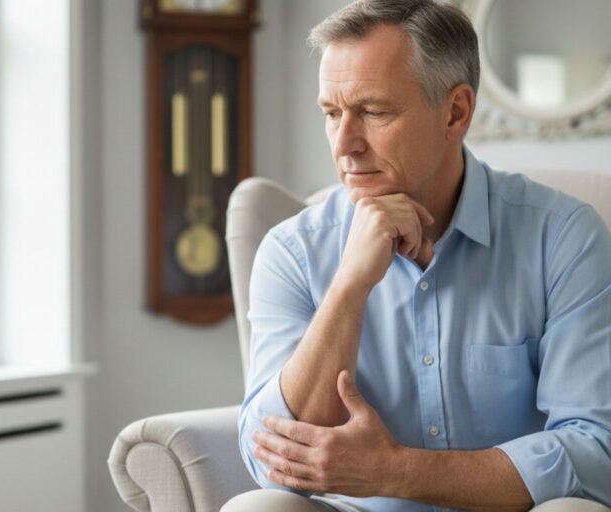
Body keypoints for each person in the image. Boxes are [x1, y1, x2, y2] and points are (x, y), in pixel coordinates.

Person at [221, 1, 611, 511]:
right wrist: (350, 285)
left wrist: (394, 470)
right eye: (332, 113)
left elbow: (596, 451)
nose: (344, 144)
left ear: (456, 112)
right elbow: (274, 461)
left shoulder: (562, 237)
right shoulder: (293, 251)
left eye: (373, 112)